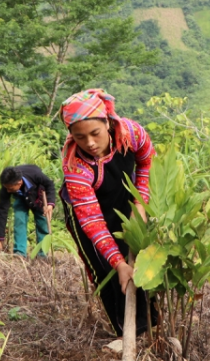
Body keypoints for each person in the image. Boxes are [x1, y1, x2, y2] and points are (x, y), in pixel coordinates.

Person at [60, 88, 157, 337]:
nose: (90, 143)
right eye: (80, 137)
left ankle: (151, 327)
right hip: (90, 213)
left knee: (142, 260)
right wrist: (119, 263)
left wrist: (139, 202)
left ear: (107, 122)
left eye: (95, 133)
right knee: (110, 271)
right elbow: (93, 222)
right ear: (71, 136)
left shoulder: (130, 132)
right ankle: (125, 334)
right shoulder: (76, 167)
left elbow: (146, 160)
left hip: (125, 198)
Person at [0, 165, 55, 257]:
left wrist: (50, 203)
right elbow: (2, 210)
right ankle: (19, 253)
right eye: (6, 188)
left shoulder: (35, 174)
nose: (8, 191)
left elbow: (50, 185)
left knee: (42, 224)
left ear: (19, 182)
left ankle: (42, 254)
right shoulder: (6, 187)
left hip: (38, 195)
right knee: (19, 221)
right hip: (21, 197)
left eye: (10, 188)